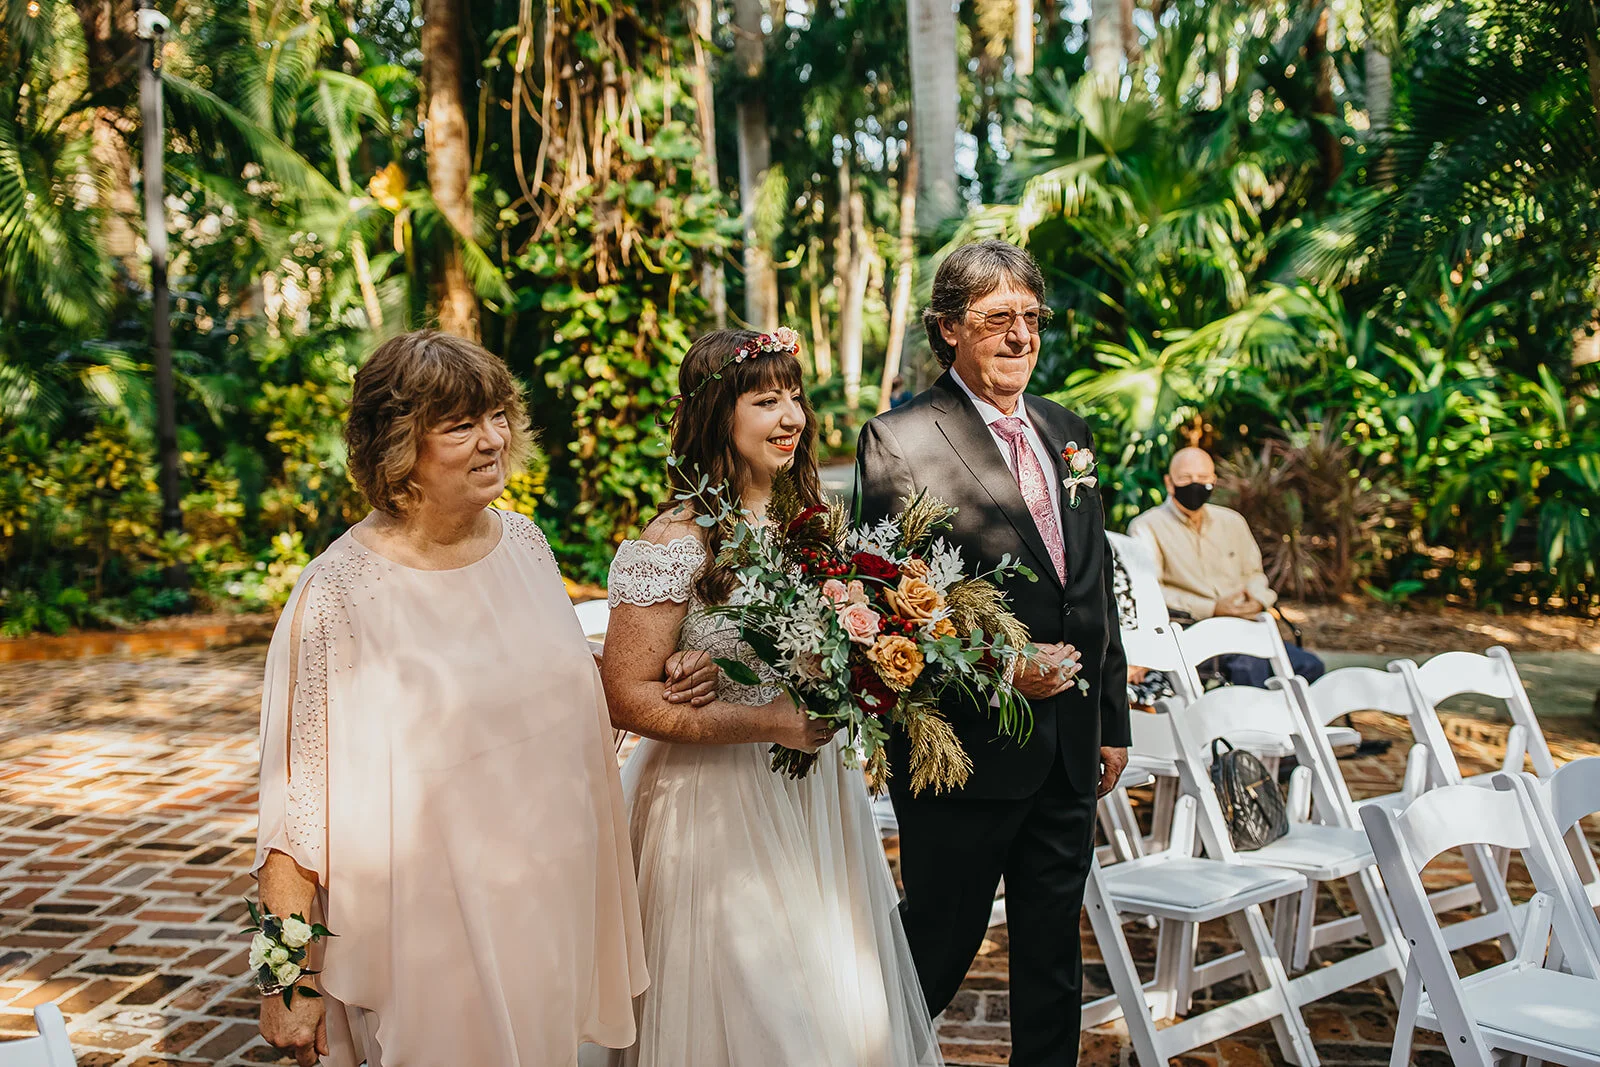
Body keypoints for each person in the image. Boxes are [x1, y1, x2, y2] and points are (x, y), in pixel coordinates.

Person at [252, 330, 659, 1067]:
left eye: (498, 415)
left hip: (545, 910)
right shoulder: (337, 593)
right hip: (429, 936)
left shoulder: (527, 545)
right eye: (460, 424)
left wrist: (664, 676)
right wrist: (286, 980)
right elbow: (295, 811)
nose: (492, 439)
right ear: (396, 447)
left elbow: (546, 696)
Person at [596, 328, 941, 1066]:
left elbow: (829, 655)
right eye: (765, 399)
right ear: (719, 414)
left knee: (834, 1008)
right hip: (715, 813)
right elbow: (625, 697)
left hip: (817, 801)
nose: (791, 417)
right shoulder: (674, 541)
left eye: (794, 397)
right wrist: (764, 715)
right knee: (760, 1016)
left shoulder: (808, 524)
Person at [854, 239, 1131, 1067]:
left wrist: (1111, 718)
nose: (1020, 336)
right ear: (948, 330)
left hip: (1071, 747)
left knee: (1054, 955)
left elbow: (1093, 586)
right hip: (968, 751)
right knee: (938, 945)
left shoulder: (1067, 430)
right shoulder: (900, 437)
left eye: (1031, 318)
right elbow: (887, 599)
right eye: (996, 319)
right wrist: (1003, 668)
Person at [1128, 446, 1325, 687]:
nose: (1195, 484)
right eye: (1186, 478)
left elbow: (1254, 574)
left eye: (1203, 478)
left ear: (1213, 481)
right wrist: (1212, 608)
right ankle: (1253, 723)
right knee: (1249, 666)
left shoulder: (1232, 522)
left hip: (1245, 627)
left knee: (1310, 666)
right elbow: (1151, 593)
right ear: (1170, 483)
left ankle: (1284, 721)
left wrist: (1257, 599)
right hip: (1192, 631)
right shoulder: (1147, 527)